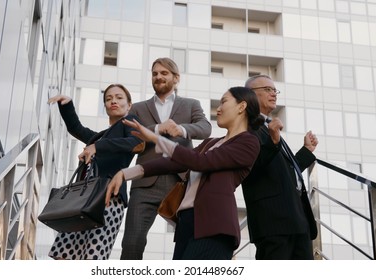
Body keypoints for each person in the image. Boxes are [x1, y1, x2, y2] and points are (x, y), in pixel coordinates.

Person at [106, 86, 264, 260]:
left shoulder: (249, 142)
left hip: (214, 225)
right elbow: (177, 162)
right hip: (187, 223)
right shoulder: (211, 143)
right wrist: (126, 173)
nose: (218, 109)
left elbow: (201, 162)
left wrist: (155, 138)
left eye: (223, 102)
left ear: (241, 107)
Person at [120, 57, 212, 259]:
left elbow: (206, 128)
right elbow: (126, 134)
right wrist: (156, 129)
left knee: (190, 239)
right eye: (155, 73)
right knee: (131, 243)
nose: (158, 77)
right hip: (144, 183)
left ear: (176, 78)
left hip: (179, 182)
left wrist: (181, 129)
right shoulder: (138, 108)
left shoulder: (190, 105)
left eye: (164, 73)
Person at [46, 84, 145, 260]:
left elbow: (133, 142)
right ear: (105, 106)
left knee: (93, 256)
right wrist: (67, 105)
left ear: (129, 105)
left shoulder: (129, 123)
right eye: (108, 99)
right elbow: (77, 129)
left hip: (108, 199)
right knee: (64, 257)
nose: (113, 101)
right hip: (82, 200)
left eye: (119, 97)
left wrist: (96, 147)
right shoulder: (100, 136)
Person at [241, 74, 319, 260]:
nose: (273, 94)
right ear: (250, 95)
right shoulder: (246, 126)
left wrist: (307, 150)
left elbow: (285, 172)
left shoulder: (270, 127)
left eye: (274, 90)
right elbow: (249, 167)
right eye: (267, 90)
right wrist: (273, 142)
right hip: (272, 222)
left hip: (297, 220)